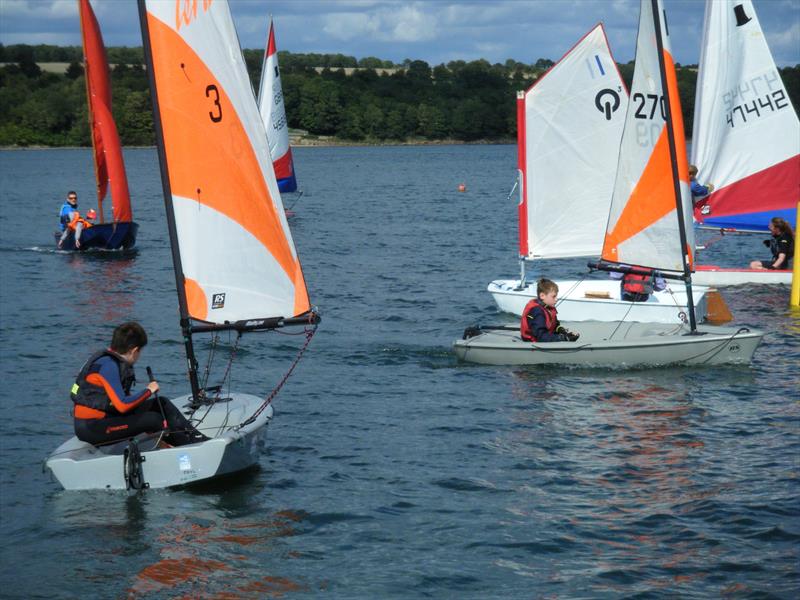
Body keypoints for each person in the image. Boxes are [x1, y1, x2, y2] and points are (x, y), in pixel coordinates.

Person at [71, 321, 207, 447]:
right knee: (153, 420)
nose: (139, 355)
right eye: (140, 352)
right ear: (134, 350)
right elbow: (123, 405)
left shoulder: (112, 361)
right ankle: (188, 447)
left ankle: (196, 437)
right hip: (92, 427)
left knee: (161, 403)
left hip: (107, 417)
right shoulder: (108, 366)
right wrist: (149, 390)